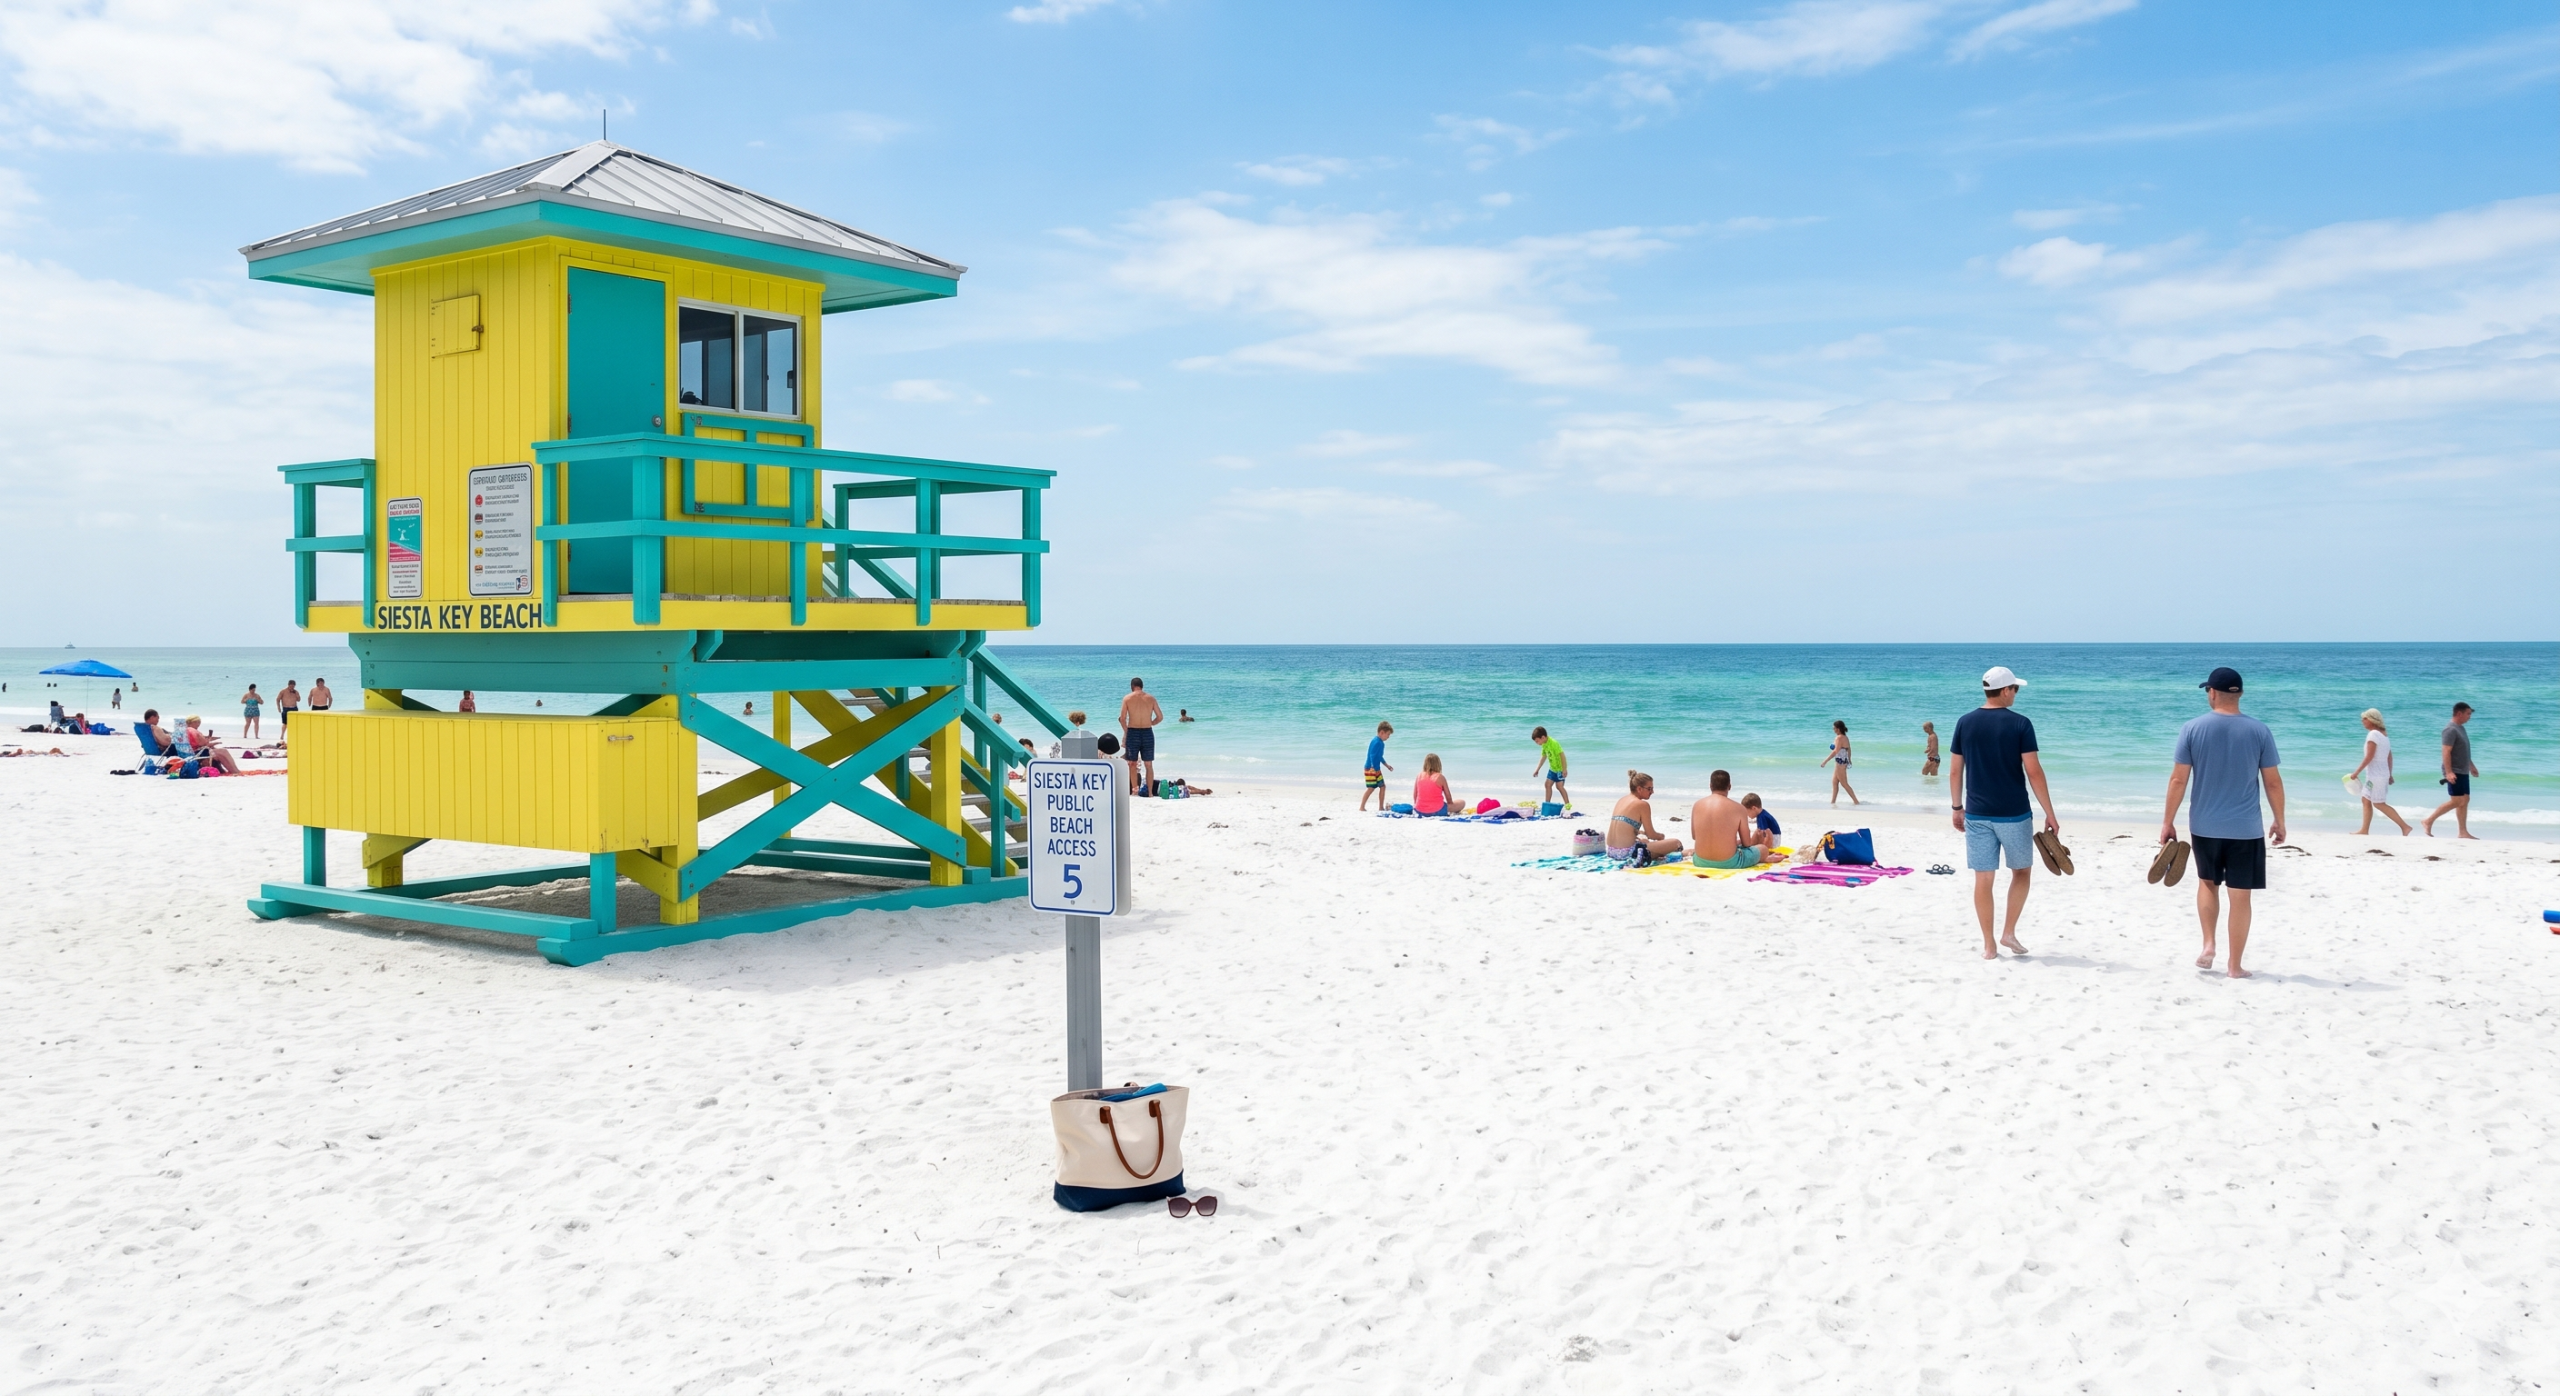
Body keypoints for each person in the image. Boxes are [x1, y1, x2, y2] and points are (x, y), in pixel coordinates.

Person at [2160, 666, 2285, 980]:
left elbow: (2178, 780)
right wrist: (2279, 820)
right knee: (2241, 895)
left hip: (2205, 825)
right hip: (2246, 828)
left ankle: (2209, 943)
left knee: (2207, 884)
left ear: (2212, 693)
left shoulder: (2192, 728)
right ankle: (2235, 966)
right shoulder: (2260, 730)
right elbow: (2272, 782)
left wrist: (2168, 822)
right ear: (2239, 693)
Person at [1949, 665, 2060, 960]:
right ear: (2006, 690)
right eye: (2015, 689)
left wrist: (1957, 807)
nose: (2016, 694)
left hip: (1976, 814)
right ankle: (2008, 931)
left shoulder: (1965, 722)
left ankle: (1989, 945)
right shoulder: (2020, 724)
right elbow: (2034, 772)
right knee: (2021, 871)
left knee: (1983, 879)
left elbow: (1955, 771)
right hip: (2014, 814)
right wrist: (2049, 812)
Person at [2348, 708, 2410, 836]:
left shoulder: (2374, 735)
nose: (2362, 721)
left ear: (2371, 719)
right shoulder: (2384, 735)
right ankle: (2364, 830)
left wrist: (2356, 773)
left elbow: (2369, 756)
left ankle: (2405, 827)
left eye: (2364, 719)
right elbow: (2389, 756)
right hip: (2379, 775)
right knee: (2365, 799)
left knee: (2379, 803)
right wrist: (2390, 773)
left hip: (2375, 776)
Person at [2424, 702, 2482, 839]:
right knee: (2457, 801)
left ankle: (2462, 832)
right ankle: (2428, 821)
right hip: (2454, 771)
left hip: (2462, 770)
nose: (2470, 717)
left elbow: (2463, 751)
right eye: (2468, 714)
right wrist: (2449, 772)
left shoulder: (2460, 728)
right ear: (2459, 713)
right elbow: (2446, 751)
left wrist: (2471, 765)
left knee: (2465, 800)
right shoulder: (2450, 730)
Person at [1689, 771, 1766, 869]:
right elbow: (1746, 843)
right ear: (1729, 786)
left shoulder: (1697, 805)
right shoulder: (1738, 808)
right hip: (1729, 862)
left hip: (1700, 860)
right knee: (1763, 849)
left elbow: (1695, 836)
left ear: (1710, 786)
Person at [1606, 770, 1682, 864]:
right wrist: (1660, 837)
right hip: (1627, 854)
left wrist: (1640, 833)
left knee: (1645, 841)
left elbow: (1624, 826)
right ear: (1639, 789)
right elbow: (1651, 835)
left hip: (1611, 851)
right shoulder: (1642, 804)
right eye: (1649, 789)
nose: (1652, 792)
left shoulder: (1622, 800)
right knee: (1676, 843)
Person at [1120, 677, 1163, 796]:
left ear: (1132, 686)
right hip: (1147, 731)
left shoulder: (1127, 698)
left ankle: (1135, 790)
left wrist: (1126, 730)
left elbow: (1122, 718)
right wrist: (1151, 723)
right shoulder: (1151, 698)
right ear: (1142, 686)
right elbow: (1160, 717)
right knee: (1148, 764)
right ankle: (1149, 792)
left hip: (1133, 732)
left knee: (1132, 763)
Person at [1820, 721, 1859, 805]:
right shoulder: (1845, 737)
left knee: (1844, 784)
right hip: (1842, 762)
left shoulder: (1839, 738)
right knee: (1834, 782)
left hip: (1840, 763)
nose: (1833, 730)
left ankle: (1856, 802)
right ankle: (1833, 802)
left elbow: (1835, 751)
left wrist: (1825, 761)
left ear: (1838, 729)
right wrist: (1849, 759)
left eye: (1834, 728)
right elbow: (1848, 749)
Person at [1529, 726, 1570, 807]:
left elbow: (1562, 756)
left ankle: (1567, 805)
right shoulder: (1544, 744)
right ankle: (1547, 804)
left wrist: (1564, 769)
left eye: (1537, 741)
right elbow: (1543, 757)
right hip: (1552, 769)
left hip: (1560, 769)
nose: (1537, 743)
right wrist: (1537, 769)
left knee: (1559, 787)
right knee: (1547, 785)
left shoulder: (1554, 743)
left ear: (1543, 737)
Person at [1360, 721, 1394, 811]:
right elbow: (1372, 755)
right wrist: (1372, 767)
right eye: (1388, 734)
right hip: (1370, 769)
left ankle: (1380, 807)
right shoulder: (1376, 742)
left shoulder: (1380, 743)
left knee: (1382, 786)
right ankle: (1362, 807)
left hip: (1376, 769)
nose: (1388, 737)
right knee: (1371, 788)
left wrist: (1387, 765)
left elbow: (1379, 757)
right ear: (1381, 732)